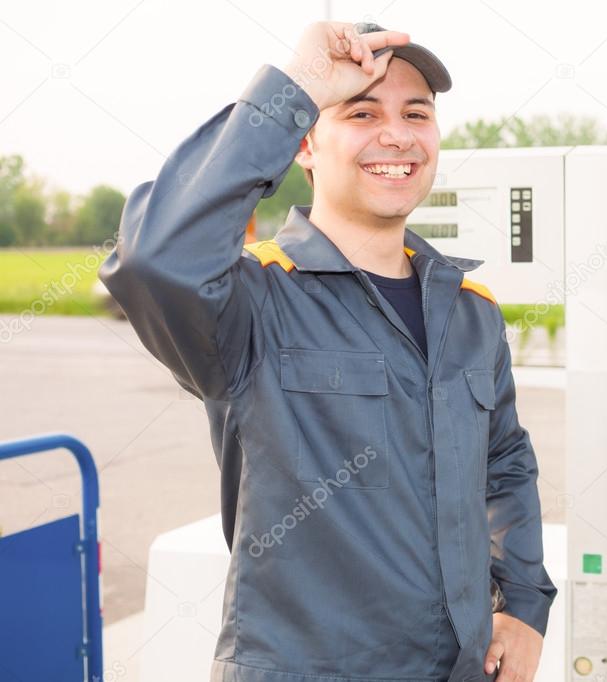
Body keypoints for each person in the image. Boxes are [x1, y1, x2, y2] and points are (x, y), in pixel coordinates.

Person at [99, 21, 556, 682]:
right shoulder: (254, 302)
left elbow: (504, 464)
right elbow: (156, 258)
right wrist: (295, 90)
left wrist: (521, 603)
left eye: (415, 113)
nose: (396, 134)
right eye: (362, 112)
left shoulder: (469, 311)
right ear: (306, 144)